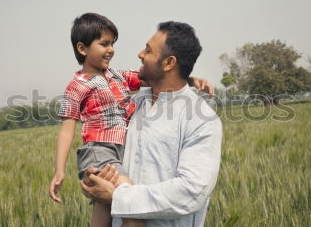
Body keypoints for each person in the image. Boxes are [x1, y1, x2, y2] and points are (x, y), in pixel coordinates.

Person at [48, 13, 213, 227]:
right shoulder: (76, 86)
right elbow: (67, 129)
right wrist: (60, 170)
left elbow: (157, 76)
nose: (111, 49)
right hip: (99, 150)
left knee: (105, 204)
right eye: (104, 44)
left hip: (121, 150)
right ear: (82, 49)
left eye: (112, 43)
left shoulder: (117, 76)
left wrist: (189, 79)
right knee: (131, 204)